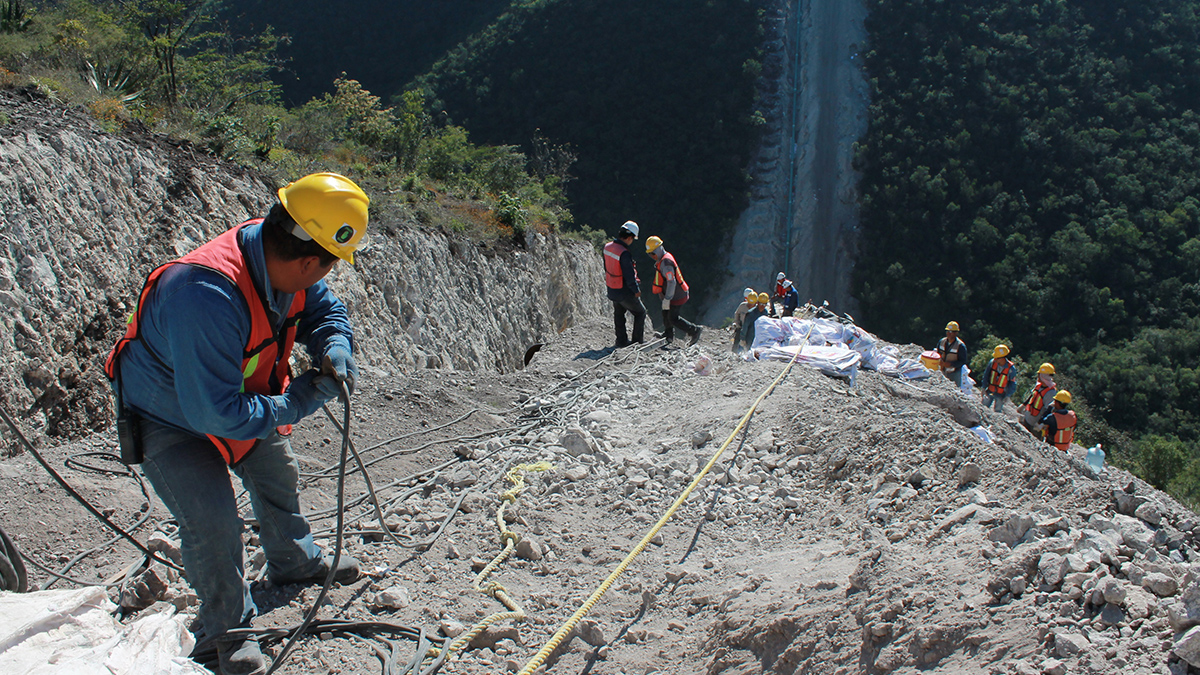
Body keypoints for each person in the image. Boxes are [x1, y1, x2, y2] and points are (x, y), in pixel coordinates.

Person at [104, 173, 370, 675]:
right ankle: (226, 634)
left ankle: (294, 558)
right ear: (308, 259)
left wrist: (335, 345)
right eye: (322, 271)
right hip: (169, 415)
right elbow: (215, 414)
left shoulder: (276, 254)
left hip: (228, 397)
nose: (319, 281)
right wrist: (297, 401)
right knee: (211, 520)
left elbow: (324, 308)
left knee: (275, 472)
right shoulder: (206, 293)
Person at [645, 235, 703, 347]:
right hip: (671, 295)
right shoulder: (663, 259)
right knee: (665, 313)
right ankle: (668, 335)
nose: (651, 256)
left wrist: (667, 298)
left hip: (676, 296)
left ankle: (694, 330)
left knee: (673, 318)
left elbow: (672, 282)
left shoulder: (666, 263)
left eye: (652, 253)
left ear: (657, 250)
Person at [603, 221, 646, 348]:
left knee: (619, 313)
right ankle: (637, 342)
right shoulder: (624, 253)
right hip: (624, 290)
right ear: (629, 237)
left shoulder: (607, 247)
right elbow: (629, 275)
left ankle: (621, 341)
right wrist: (636, 290)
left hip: (612, 287)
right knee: (640, 312)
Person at [1020, 363, 1058, 435]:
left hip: (1035, 426)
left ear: (1044, 376)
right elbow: (1033, 396)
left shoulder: (1051, 393)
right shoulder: (1039, 386)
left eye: (1039, 374)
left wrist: (1040, 423)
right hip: (1028, 419)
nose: (1038, 376)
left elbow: (1049, 410)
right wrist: (1023, 405)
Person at [980, 344, 1017, 412]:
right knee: (983, 407)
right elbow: (986, 375)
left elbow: (1012, 383)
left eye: (997, 358)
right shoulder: (992, 363)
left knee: (997, 411)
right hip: (990, 390)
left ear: (1003, 358)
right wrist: (983, 387)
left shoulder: (1011, 369)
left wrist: (1008, 395)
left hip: (1001, 393)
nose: (995, 359)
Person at [936, 321, 968, 387]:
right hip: (942, 371)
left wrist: (951, 364)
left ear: (956, 333)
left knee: (955, 389)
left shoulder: (960, 345)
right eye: (947, 331)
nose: (948, 333)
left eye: (951, 332)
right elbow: (937, 353)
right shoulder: (942, 342)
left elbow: (963, 361)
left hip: (954, 373)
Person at [731, 287, 756, 352]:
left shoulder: (756, 309)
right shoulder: (742, 306)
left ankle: (746, 353)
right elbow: (737, 313)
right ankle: (734, 352)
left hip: (750, 328)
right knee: (737, 340)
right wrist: (737, 323)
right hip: (741, 326)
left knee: (748, 342)